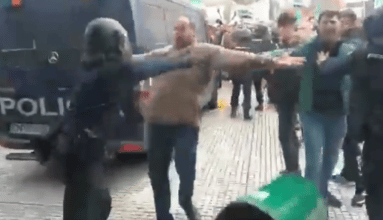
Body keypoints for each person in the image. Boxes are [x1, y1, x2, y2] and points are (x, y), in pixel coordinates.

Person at [138, 16, 305, 220]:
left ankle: (185, 200)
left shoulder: (206, 52)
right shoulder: (163, 54)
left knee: (186, 170)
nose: (177, 33)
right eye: (175, 29)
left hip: (185, 124)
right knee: (157, 175)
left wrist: (271, 61)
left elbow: (238, 58)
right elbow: (135, 66)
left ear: (194, 32)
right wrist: (140, 101)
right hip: (155, 124)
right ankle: (163, 215)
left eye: (182, 28)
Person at [54, 17, 195, 220]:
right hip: (84, 153)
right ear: (117, 43)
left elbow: (138, 62)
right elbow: (148, 67)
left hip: (76, 150)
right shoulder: (113, 70)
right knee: (94, 204)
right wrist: (187, 60)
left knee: (88, 202)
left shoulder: (94, 66)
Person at [291, 10, 362, 208]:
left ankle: (321, 193)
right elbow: (287, 56)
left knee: (331, 158)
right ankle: (309, 199)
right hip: (312, 112)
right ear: (318, 26)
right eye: (326, 22)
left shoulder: (349, 51)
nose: (330, 25)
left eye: (334, 22)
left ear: (340, 26)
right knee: (314, 160)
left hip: (339, 114)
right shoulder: (308, 49)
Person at [347, 8, 383, 219]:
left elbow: (357, 100)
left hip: (375, 138)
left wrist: (356, 134)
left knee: (376, 194)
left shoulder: (362, 55)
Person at [332, 8, 366, 207]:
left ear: (350, 22)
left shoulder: (348, 44)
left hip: (351, 101)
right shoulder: (362, 41)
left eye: (341, 21)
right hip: (358, 100)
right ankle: (349, 174)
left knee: (352, 143)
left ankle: (361, 188)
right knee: (349, 142)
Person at [265, 10, 304, 176]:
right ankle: (293, 167)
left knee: (285, 134)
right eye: (281, 27)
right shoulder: (281, 46)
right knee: (290, 133)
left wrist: (277, 67)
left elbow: (293, 72)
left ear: (293, 28)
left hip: (290, 96)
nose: (283, 31)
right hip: (283, 96)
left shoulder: (297, 48)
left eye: (286, 27)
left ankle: (293, 170)